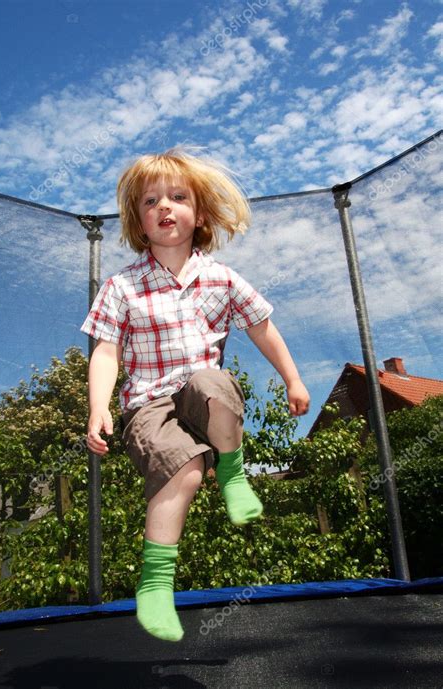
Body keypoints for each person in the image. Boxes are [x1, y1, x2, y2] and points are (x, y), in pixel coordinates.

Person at [80, 146, 310, 642]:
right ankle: (156, 585)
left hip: (201, 396)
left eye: (177, 197)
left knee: (212, 382)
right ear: (138, 221)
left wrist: (293, 378)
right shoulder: (122, 287)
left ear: (198, 212)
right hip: (148, 406)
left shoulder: (222, 278)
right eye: (150, 201)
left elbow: (263, 328)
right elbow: (105, 352)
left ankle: (231, 474)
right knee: (180, 473)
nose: (164, 207)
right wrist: (99, 406)